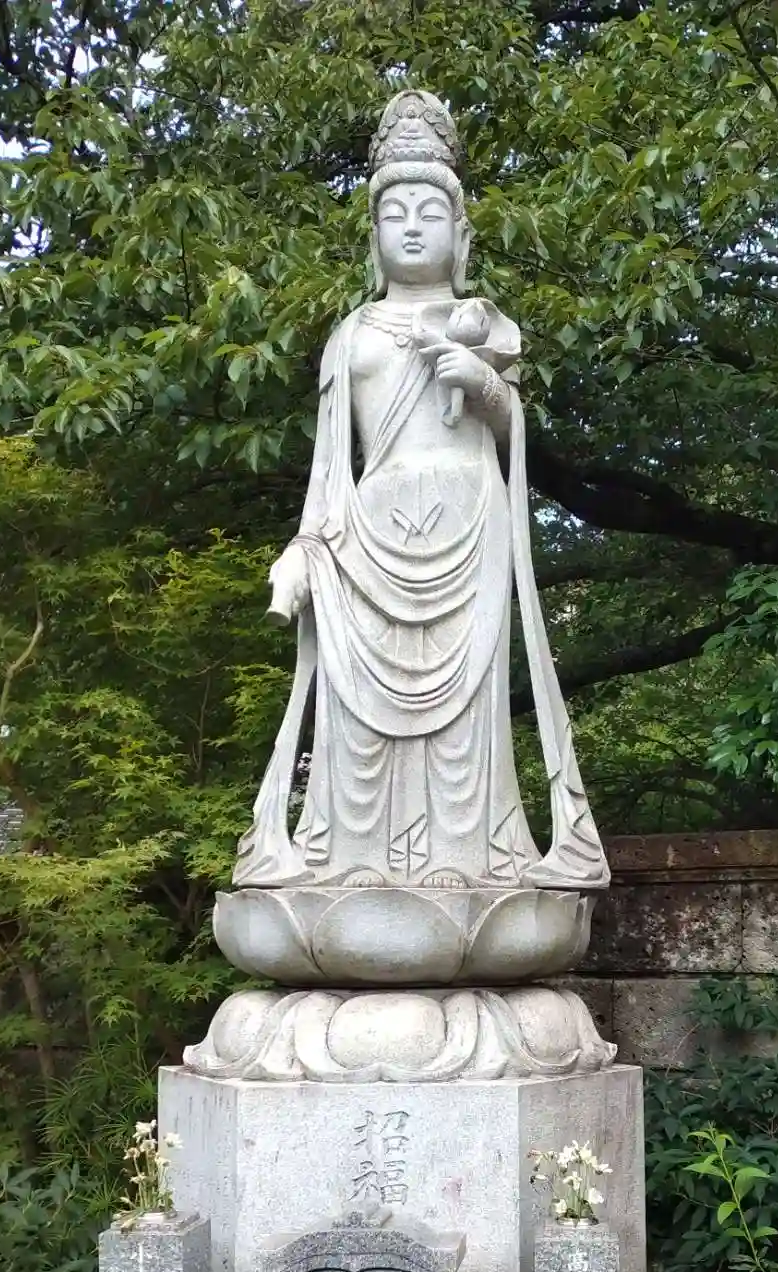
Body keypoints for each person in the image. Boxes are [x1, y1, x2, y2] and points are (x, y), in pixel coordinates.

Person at [235, 90, 605, 895]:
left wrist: (483, 382)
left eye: (429, 213)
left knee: (467, 716)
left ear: (461, 236)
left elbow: (512, 432)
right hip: (368, 539)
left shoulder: (484, 324)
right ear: (372, 236)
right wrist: (303, 550)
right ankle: (351, 865)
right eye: (393, 214)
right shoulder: (351, 337)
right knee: (358, 714)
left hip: (469, 527)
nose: (410, 227)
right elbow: (330, 471)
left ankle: (470, 863)